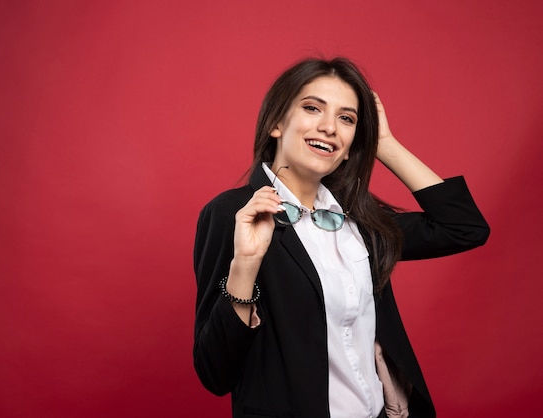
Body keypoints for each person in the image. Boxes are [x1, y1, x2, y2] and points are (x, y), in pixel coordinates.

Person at [193, 57, 489, 418]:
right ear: (276, 123)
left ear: (350, 146)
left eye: (347, 119)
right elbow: (214, 372)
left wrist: (384, 143)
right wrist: (246, 265)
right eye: (312, 108)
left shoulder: (358, 219)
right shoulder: (234, 214)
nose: (329, 127)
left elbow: (463, 228)